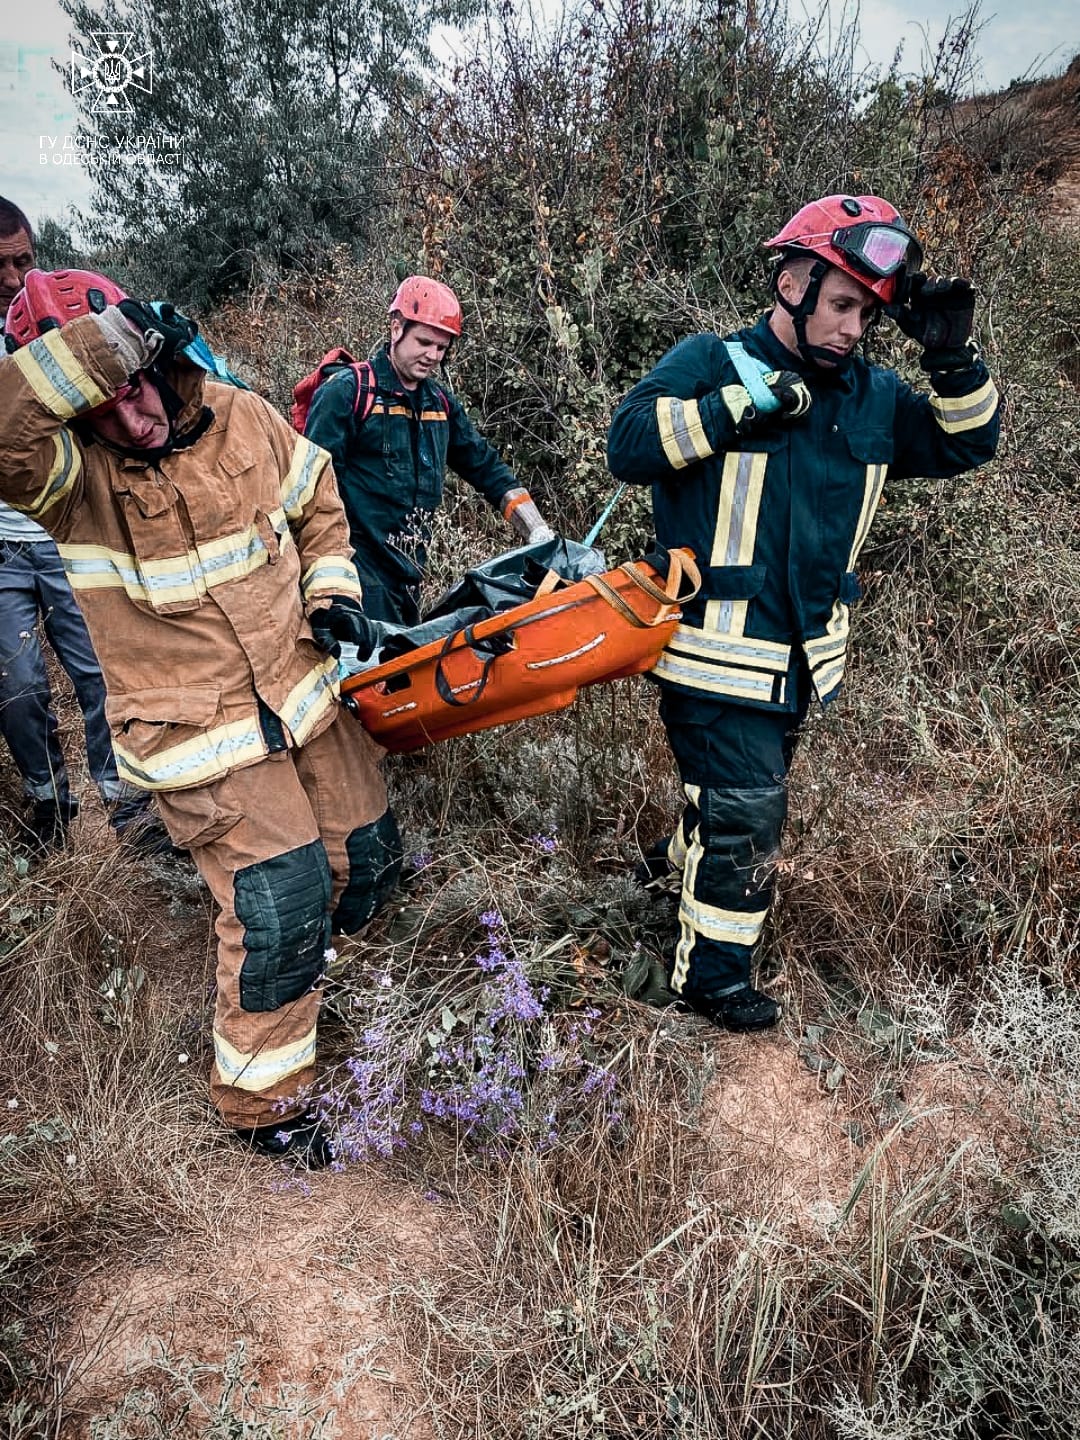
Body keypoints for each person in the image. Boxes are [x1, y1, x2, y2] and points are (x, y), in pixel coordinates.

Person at [0, 266, 402, 1166]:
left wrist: (333, 591)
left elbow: (318, 502)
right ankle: (265, 1106)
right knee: (279, 897)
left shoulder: (239, 413)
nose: (130, 419)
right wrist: (107, 348)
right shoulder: (68, 479)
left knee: (366, 855)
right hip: (198, 735)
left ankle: (302, 983)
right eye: (98, 405)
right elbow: (3, 425)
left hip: (303, 697)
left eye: (133, 389)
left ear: (161, 360)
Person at [607, 193, 1000, 1033]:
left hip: (801, 661)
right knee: (751, 807)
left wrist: (954, 361)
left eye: (869, 312)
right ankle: (709, 978)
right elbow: (629, 442)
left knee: (729, 793)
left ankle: (667, 868)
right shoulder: (710, 360)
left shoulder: (876, 398)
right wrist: (730, 410)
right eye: (843, 304)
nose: (855, 328)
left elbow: (968, 442)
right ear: (792, 282)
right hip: (714, 654)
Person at [0, 196, 163, 853]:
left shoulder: (57, 318)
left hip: (71, 537)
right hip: (3, 548)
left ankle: (127, 808)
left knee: (100, 675)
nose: (13, 277)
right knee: (20, 688)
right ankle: (49, 806)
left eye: (23, 260)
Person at [303, 275, 555, 626]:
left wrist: (537, 530)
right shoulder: (347, 392)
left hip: (409, 574)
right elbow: (311, 490)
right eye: (424, 342)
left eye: (442, 348)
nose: (432, 355)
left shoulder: (440, 404)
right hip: (358, 574)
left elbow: (486, 468)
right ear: (396, 328)